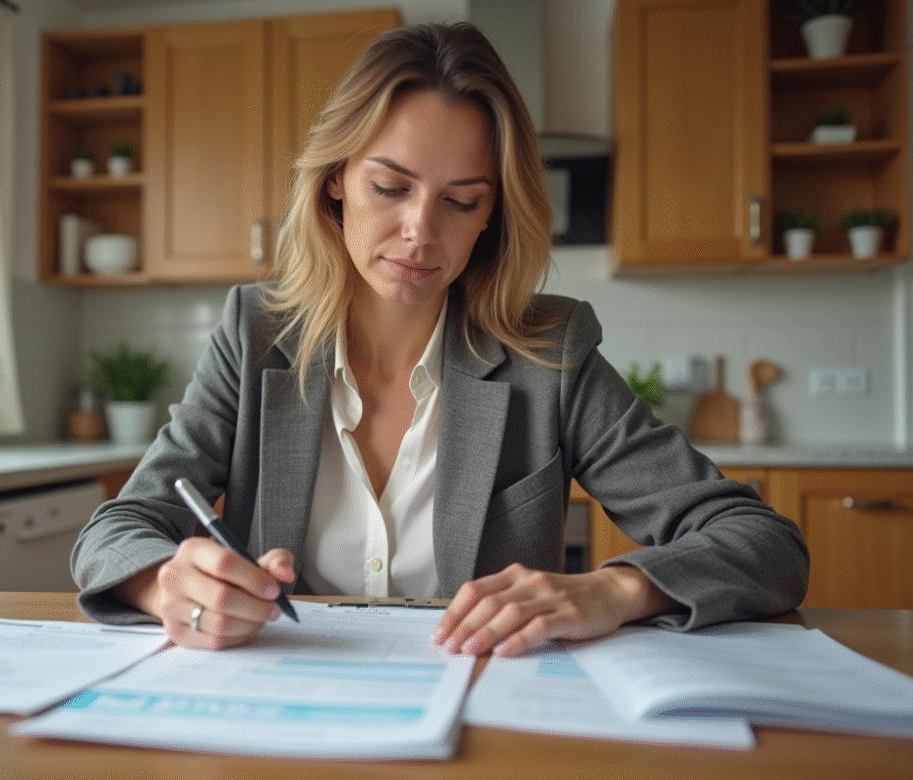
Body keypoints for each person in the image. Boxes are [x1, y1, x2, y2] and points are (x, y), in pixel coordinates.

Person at [72, 21, 809, 658]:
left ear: (492, 214)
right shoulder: (255, 334)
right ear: (336, 180)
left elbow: (761, 541)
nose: (421, 232)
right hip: (285, 711)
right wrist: (164, 582)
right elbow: (119, 529)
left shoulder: (548, 355)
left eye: (461, 201)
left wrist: (615, 590)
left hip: (484, 718)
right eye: (390, 188)